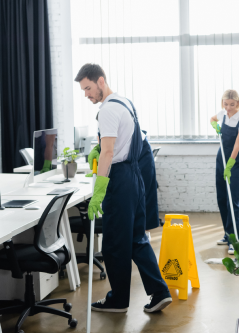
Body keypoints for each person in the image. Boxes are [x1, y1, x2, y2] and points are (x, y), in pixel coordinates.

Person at [74, 63, 171, 313]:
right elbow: (119, 144)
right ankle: (159, 291)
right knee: (137, 239)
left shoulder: (107, 110)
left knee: (115, 243)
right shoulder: (125, 102)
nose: (86, 94)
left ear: (101, 82)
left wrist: (98, 191)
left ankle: (118, 300)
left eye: (87, 88)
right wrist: (102, 150)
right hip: (135, 175)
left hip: (119, 180)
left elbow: (108, 152)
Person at [210, 90, 239, 255]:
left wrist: (230, 164)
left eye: (232, 105)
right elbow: (213, 119)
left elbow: (237, 145)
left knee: (233, 200)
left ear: (238, 103)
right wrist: (215, 125)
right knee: (222, 198)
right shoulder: (223, 114)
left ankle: (234, 240)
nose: (228, 108)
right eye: (225, 104)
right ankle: (227, 234)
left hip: (236, 161)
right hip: (222, 159)